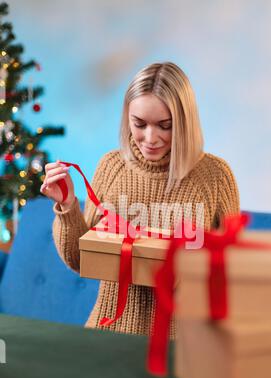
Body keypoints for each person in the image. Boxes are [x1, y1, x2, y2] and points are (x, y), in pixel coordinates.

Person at [41, 62, 240, 339]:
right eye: (139, 124)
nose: (150, 138)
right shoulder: (111, 166)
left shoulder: (216, 177)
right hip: (108, 335)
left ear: (184, 122)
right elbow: (80, 259)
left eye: (164, 126)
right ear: (127, 118)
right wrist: (67, 205)